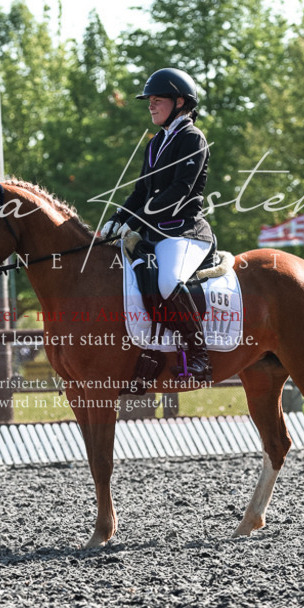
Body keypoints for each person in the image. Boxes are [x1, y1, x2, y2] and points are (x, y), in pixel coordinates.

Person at [99, 68, 214, 382]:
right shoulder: (155, 143)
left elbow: (180, 190)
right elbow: (141, 191)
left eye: (157, 99)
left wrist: (136, 221)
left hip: (185, 231)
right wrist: (117, 219)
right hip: (155, 233)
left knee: (167, 283)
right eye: (149, 100)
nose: (150, 105)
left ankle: (200, 356)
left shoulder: (192, 138)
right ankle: (152, 351)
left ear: (180, 102)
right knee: (133, 280)